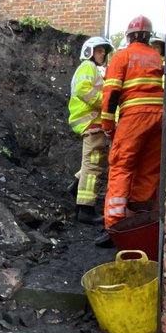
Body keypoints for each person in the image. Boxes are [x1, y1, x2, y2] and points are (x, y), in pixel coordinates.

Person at [96, 14, 164, 247]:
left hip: (135, 117)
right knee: (148, 168)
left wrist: (108, 126)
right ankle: (138, 221)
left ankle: (115, 225)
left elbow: (112, 94)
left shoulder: (122, 56)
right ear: (148, 37)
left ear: (129, 36)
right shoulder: (157, 58)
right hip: (159, 118)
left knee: (121, 165)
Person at [67, 35, 113, 223]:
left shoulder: (94, 69)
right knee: (93, 163)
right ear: (89, 51)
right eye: (99, 50)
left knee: (94, 162)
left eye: (103, 51)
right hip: (92, 122)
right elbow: (83, 90)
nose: (102, 54)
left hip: (95, 123)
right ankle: (85, 208)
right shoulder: (88, 66)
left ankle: (76, 186)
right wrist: (106, 103)